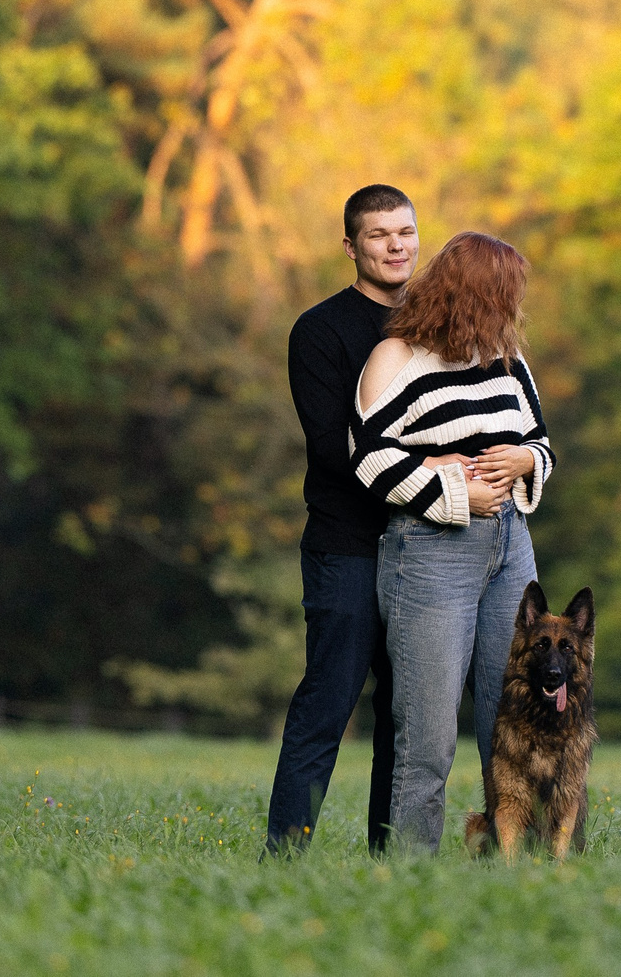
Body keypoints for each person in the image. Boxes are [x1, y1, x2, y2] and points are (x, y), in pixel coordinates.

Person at [351, 229, 555, 853]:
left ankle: (517, 855)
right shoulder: (398, 358)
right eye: (505, 295)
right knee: (428, 733)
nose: (514, 309)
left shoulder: (507, 360)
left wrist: (524, 461)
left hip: (510, 547)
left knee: (516, 718)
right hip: (431, 553)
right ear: (473, 294)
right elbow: (367, 459)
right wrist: (457, 492)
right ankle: (412, 869)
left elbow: (541, 442)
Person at [263, 184, 421, 853]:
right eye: (380, 235)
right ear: (352, 247)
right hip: (347, 546)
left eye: (406, 232)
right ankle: (285, 850)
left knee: (405, 718)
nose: (395, 245)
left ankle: (390, 855)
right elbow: (332, 447)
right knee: (328, 704)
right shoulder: (321, 330)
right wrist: (435, 471)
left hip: (424, 548)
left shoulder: (439, 323)